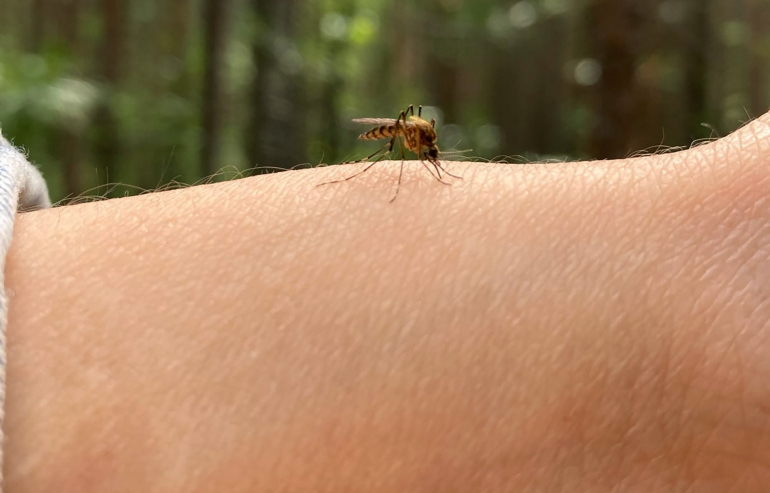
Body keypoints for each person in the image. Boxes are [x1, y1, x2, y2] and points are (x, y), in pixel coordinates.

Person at [3, 113, 770, 491]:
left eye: (419, 144)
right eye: (418, 143)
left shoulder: (420, 145)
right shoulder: (401, 143)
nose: (421, 148)